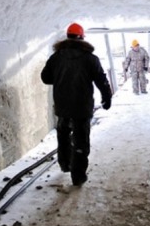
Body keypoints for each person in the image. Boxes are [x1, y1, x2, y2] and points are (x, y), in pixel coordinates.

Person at [41, 22, 112, 186]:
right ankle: (78, 176)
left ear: (68, 37)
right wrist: (107, 97)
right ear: (82, 38)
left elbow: (45, 78)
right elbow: (101, 80)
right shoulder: (90, 58)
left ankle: (65, 164)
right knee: (81, 140)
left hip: (63, 107)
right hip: (82, 107)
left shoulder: (56, 57)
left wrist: (59, 77)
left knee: (63, 136)